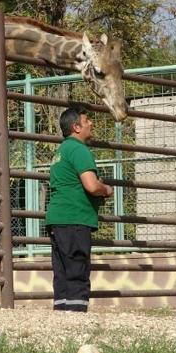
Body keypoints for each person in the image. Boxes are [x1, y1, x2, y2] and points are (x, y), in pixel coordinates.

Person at [45, 106, 114, 312]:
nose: (91, 123)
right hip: (75, 218)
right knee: (77, 271)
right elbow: (91, 185)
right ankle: (76, 320)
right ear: (76, 127)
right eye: (87, 121)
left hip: (58, 219)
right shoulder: (79, 150)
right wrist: (106, 189)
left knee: (62, 273)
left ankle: (62, 318)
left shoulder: (61, 150)